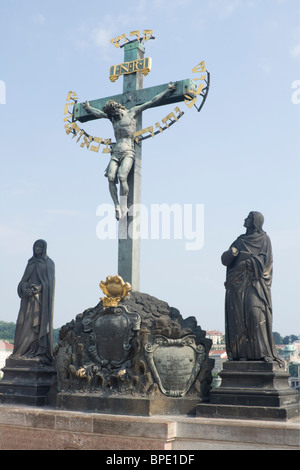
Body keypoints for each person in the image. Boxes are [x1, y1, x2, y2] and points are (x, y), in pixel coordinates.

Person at [83, 82, 177, 220]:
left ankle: (123, 203)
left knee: (122, 177)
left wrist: (167, 91)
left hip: (128, 151)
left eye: (115, 114)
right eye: (112, 115)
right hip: (116, 152)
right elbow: (99, 114)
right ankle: (116, 206)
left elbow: (151, 101)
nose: (114, 117)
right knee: (110, 178)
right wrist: (89, 108)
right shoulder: (112, 118)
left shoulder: (131, 112)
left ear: (119, 110)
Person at [221, 212, 283, 365]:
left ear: (255, 222)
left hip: (255, 285)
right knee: (238, 320)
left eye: (248, 218)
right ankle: (240, 354)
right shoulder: (239, 240)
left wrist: (248, 262)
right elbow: (224, 260)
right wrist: (232, 253)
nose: (244, 219)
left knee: (255, 315)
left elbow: (265, 262)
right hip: (237, 286)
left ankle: (262, 353)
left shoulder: (264, 240)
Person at [12, 240, 55, 365]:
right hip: (27, 300)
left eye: (40, 246)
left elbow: (50, 284)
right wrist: (24, 287)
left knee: (34, 326)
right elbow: (23, 280)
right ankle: (20, 352)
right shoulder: (30, 263)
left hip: (40, 303)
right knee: (21, 323)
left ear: (44, 248)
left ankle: (35, 350)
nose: (37, 248)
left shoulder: (49, 263)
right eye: (35, 246)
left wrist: (39, 288)